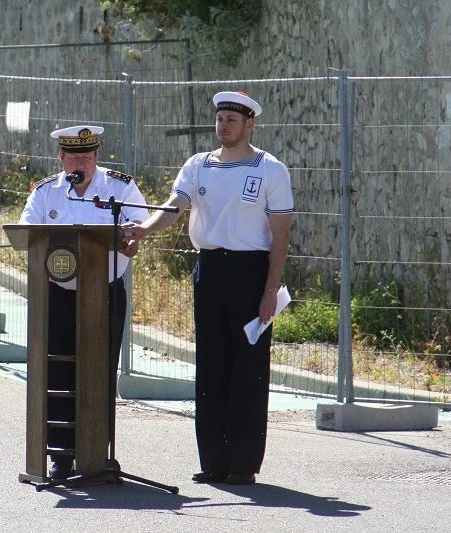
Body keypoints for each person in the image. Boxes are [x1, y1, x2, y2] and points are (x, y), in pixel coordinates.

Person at [123, 92, 294, 485]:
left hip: (251, 272)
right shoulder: (198, 165)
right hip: (211, 269)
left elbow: (281, 237)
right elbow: (175, 205)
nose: (224, 126)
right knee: (212, 365)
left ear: (249, 124)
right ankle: (214, 460)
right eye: (220, 120)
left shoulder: (270, 169)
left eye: (232, 120)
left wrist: (270, 290)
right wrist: (144, 230)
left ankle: (243, 463)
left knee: (247, 368)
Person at [19, 125, 148, 479]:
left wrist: (133, 239)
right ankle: (61, 453)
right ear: (61, 158)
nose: (82, 162)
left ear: (96, 157)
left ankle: (96, 451)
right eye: (74, 156)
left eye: (88, 156)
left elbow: (139, 224)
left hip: (104, 292)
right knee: (59, 373)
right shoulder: (47, 192)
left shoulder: (120, 188)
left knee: (100, 370)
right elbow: (27, 232)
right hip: (58, 294)